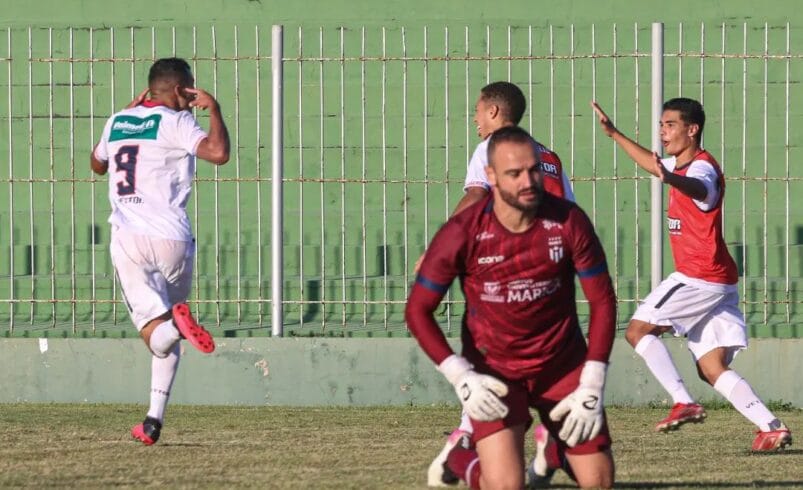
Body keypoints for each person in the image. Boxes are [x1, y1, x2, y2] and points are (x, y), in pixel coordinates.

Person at [407, 126, 617, 489]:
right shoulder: (462, 231)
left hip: (562, 367)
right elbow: (418, 310)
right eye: (514, 173)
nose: (528, 181)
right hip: (495, 372)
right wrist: (461, 376)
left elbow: (602, 300)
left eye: (533, 170)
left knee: (599, 481)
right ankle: (462, 459)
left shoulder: (569, 221)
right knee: (505, 484)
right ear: (490, 176)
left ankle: (552, 452)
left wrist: (593, 381)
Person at [592, 98, 792, 451]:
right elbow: (655, 166)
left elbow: (700, 189)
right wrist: (613, 134)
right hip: (719, 280)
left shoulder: (702, 170)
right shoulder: (680, 165)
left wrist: (671, 178)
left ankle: (683, 401)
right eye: (661, 124)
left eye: (669, 125)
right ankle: (771, 426)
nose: (662, 131)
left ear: (692, 129)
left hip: (699, 275)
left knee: (638, 331)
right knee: (711, 366)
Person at [420, 81, 575, 487]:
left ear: (492, 112)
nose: (473, 117)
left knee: (491, 352)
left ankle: (469, 439)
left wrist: (441, 247)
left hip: (506, 268)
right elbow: (568, 213)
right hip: (551, 273)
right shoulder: (549, 158)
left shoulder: (493, 149)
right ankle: (545, 440)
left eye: (476, 110)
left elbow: (475, 196)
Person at [90, 57, 230, 445]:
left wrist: (132, 114)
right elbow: (219, 153)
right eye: (189, 86)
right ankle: (152, 421)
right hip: (174, 242)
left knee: (158, 334)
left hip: (131, 241)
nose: (192, 93)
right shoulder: (178, 121)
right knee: (169, 331)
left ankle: (175, 326)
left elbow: (97, 164)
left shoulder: (118, 119)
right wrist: (215, 110)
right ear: (174, 88)